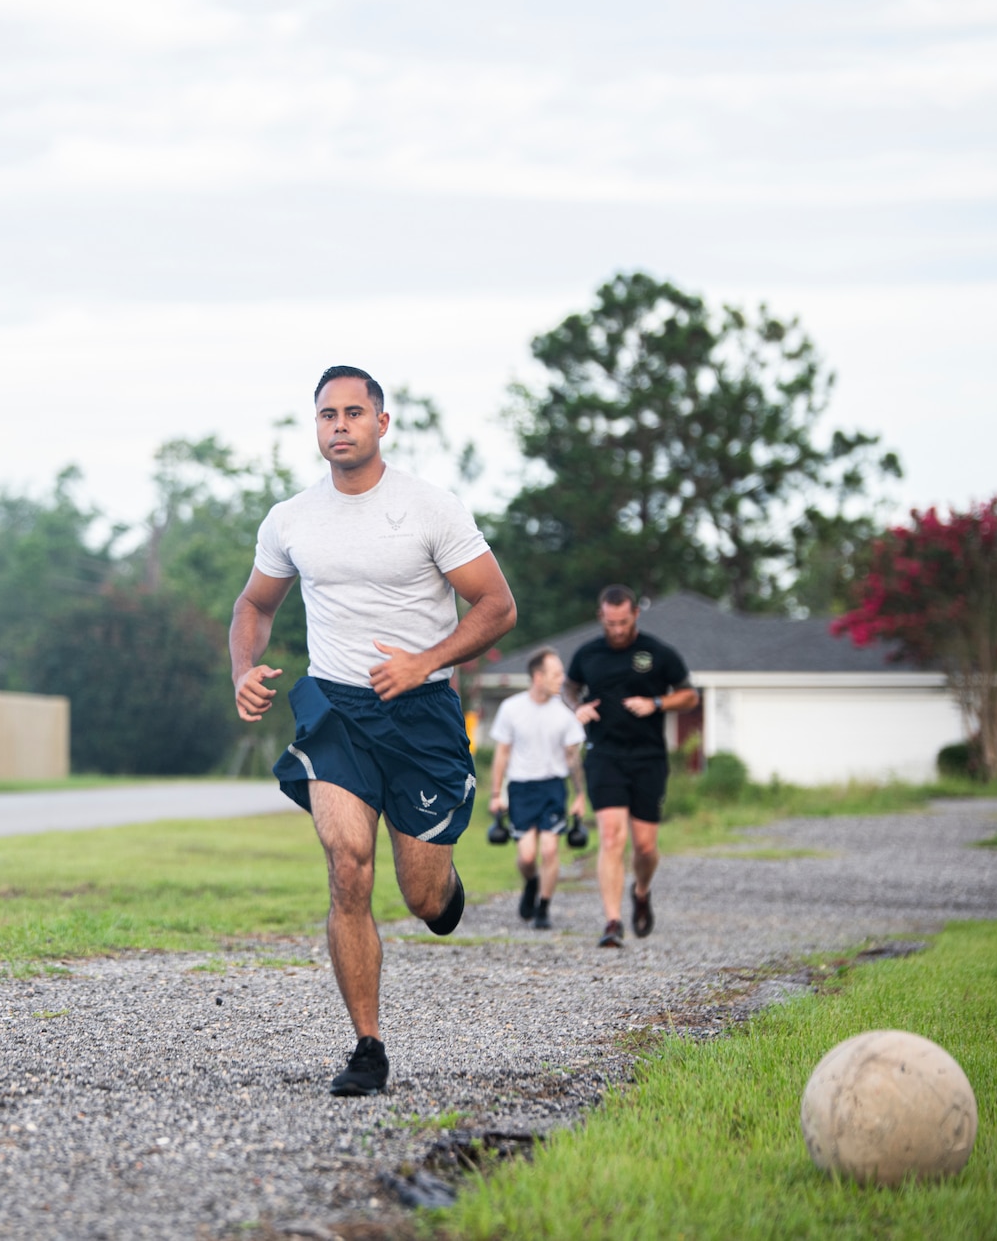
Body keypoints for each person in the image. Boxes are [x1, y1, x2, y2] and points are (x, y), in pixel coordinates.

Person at [231, 366, 516, 1097]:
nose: (339, 425)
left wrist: (424, 661)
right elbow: (255, 605)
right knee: (347, 860)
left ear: (381, 423)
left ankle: (443, 892)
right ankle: (367, 1045)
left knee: (422, 896)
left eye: (354, 412)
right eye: (327, 413)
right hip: (336, 711)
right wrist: (243, 667)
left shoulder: (428, 508)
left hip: (420, 714)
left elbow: (495, 605)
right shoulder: (291, 518)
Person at [564, 586, 696, 948]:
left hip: (648, 758)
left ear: (635, 614)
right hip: (605, 755)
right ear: (600, 617)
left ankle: (641, 890)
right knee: (610, 836)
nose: (617, 629)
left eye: (623, 622)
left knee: (645, 847)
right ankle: (612, 920)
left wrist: (656, 702)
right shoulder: (588, 654)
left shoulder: (657, 652)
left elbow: (689, 695)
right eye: (610, 623)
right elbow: (568, 687)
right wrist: (577, 707)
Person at [487, 648, 588, 931]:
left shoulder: (565, 712)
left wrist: (580, 795)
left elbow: (573, 758)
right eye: (556, 674)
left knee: (549, 849)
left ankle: (543, 907)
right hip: (521, 788)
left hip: (553, 787)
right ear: (538, 676)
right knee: (527, 856)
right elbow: (502, 754)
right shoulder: (512, 708)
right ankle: (532, 882)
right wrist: (496, 794)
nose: (562, 679)